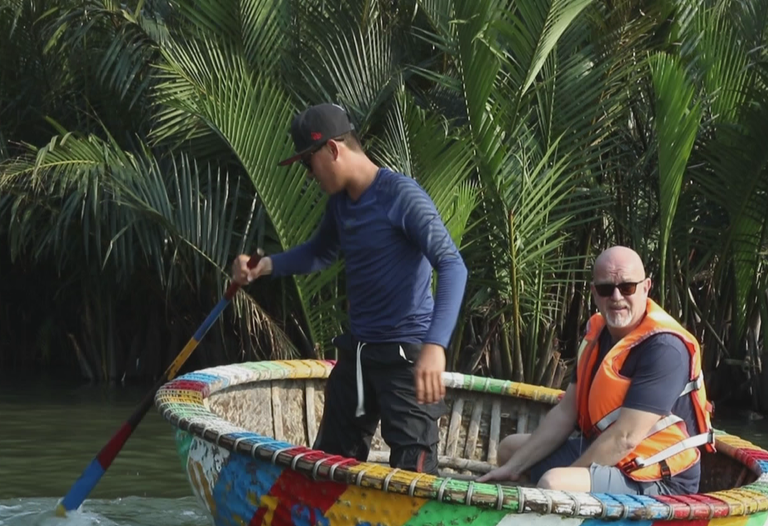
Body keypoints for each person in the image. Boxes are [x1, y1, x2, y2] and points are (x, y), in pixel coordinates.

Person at [232, 103, 468, 475]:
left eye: (309, 165)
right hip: (358, 357)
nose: (309, 176)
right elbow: (319, 253)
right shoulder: (341, 204)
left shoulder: (401, 196)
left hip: (406, 358)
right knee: (329, 464)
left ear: (333, 149)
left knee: (413, 472)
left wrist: (435, 346)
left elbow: (452, 265)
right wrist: (265, 266)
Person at [478, 246, 714, 496]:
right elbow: (566, 412)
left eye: (627, 287)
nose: (616, 297)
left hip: (658, 476)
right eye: (605, 289)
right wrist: (515, 467)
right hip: (610, 454)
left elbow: (625, 438)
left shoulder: (665, 349)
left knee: (554, 482)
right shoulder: (597, 335)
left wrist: (569, 476)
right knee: (509, 451)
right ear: (594, 293)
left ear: (646, 287)